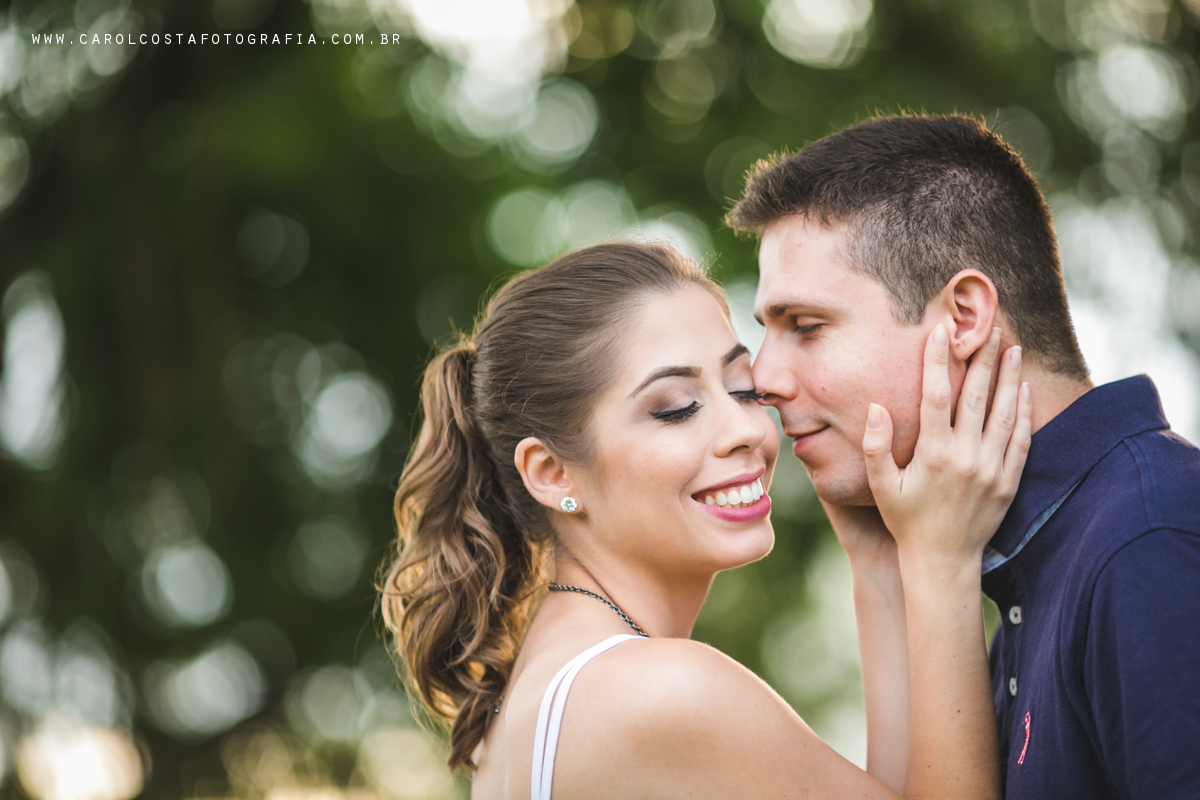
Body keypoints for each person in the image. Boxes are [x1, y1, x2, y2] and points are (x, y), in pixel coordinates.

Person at [380, 240, 1031, 799]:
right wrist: (942, 561)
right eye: (675, 407)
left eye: (744, 389)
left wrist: (879, 563)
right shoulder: (662, 691)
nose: (747, 429)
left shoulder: (535, 697)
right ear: (552, 473)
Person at [731, 113, 1200, 800]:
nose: (763, 378)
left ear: (964, 318)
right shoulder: (1026, 555)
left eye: (805, 326)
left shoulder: (1148, 543)